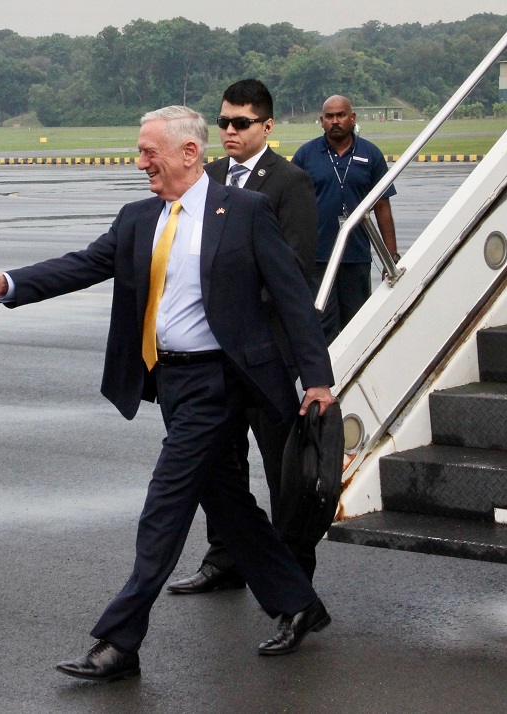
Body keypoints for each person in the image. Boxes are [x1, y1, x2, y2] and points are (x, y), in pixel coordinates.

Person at [0, 106, 335, 682]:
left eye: (149, 152)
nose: (140, 162)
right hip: (170, 382)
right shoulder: (139, 217)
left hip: (218, 381)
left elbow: (293, 297)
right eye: (139, 152)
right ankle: (298, 603)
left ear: (189, 153)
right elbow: (84, 265)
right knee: (229, 504)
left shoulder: (243, 212)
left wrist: (318, 378)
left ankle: (120, 641)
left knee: (164, 506)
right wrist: (9, 283)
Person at [168, 79, 321, 596]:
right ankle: (224, 557)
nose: (229, 132)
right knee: (222, 462)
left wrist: (229, 299)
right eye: (224, 122)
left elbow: (295, 270)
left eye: (241, 123)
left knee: (281, 467)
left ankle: (294, 570)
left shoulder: (289, 182)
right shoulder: (207, 177)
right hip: (213, 355)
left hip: (264, 352)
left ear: (268, 126)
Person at [291, 95, 398, 342]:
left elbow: (382, 207)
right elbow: (291, 207)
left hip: (356, 256)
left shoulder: (371, 154)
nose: (335, 121)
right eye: (329, 116)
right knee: (320, 328)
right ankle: (327, 379)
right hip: (317, 259)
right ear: (321, 120)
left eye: (341, 115)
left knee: (357, 327)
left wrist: (390, 256)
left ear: (352, 118)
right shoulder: (306, 155)